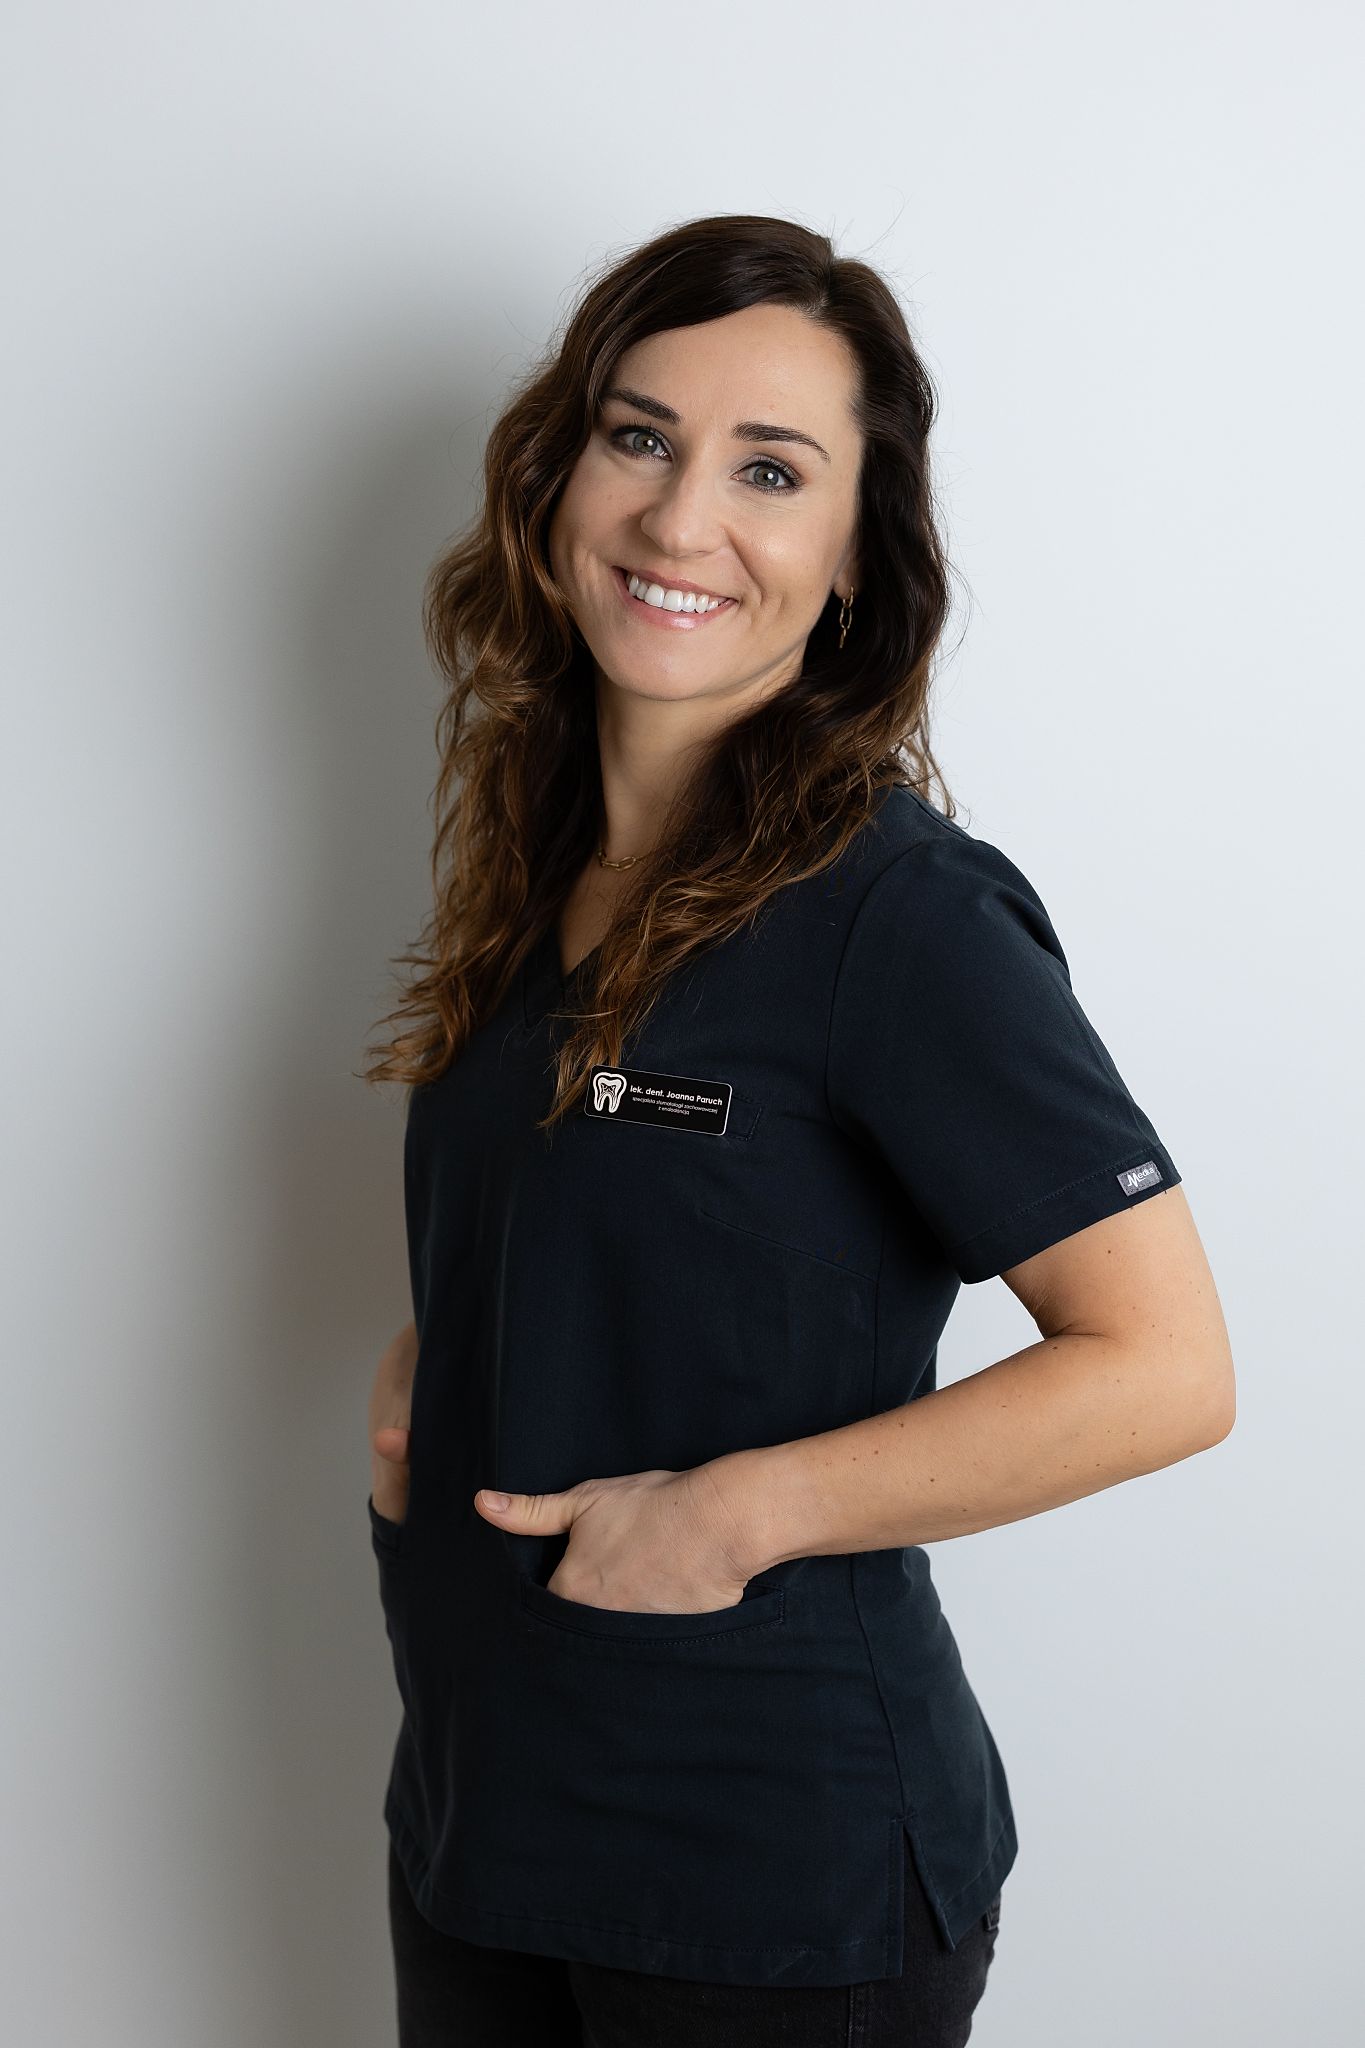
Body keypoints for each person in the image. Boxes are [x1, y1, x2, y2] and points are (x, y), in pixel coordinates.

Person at [359, 213, 1236, 2048]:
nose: (681, 520)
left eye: (769, 471)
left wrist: (735, 1514)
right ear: (557, 478)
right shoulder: (536, 868)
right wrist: (443, 1377)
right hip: (479, 1823)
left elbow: (1162, 1367)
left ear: (850, 557)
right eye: (639, 436)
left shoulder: (896, 915)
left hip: (762, 1878)